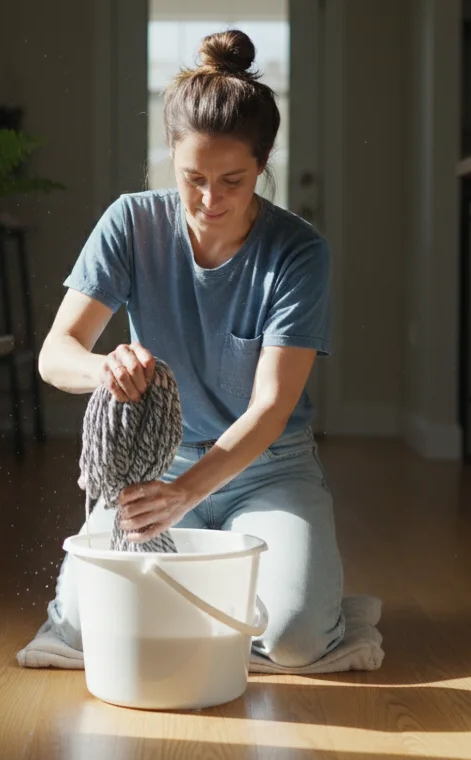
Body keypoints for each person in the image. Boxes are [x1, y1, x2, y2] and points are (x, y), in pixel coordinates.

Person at [37, 29, 345, 668]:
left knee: (294, 638)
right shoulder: (130, 222)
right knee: (85, 628)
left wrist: (189, 497)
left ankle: (312, 592)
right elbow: (55, 354)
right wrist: (104, 367)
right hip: (156, 466)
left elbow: (270, 409)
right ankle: (230, 579)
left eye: (232, 179)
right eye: (192, 178)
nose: (209, 200)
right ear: (170, 156)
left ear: (263, 165)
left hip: (269, 468)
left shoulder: (299, 252)